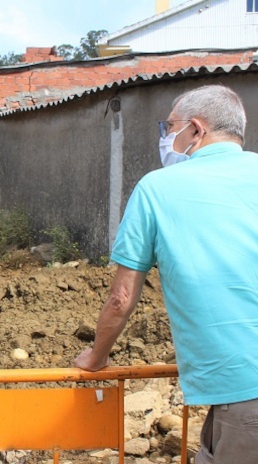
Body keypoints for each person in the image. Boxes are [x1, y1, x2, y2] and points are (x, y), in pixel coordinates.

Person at [74, 85, 258, 464]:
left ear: (195, 129)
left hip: (245, 389)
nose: (165, 137)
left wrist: (96, 357)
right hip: (233, 397)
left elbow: (121, 298)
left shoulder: (158, 189)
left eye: (169, 127)